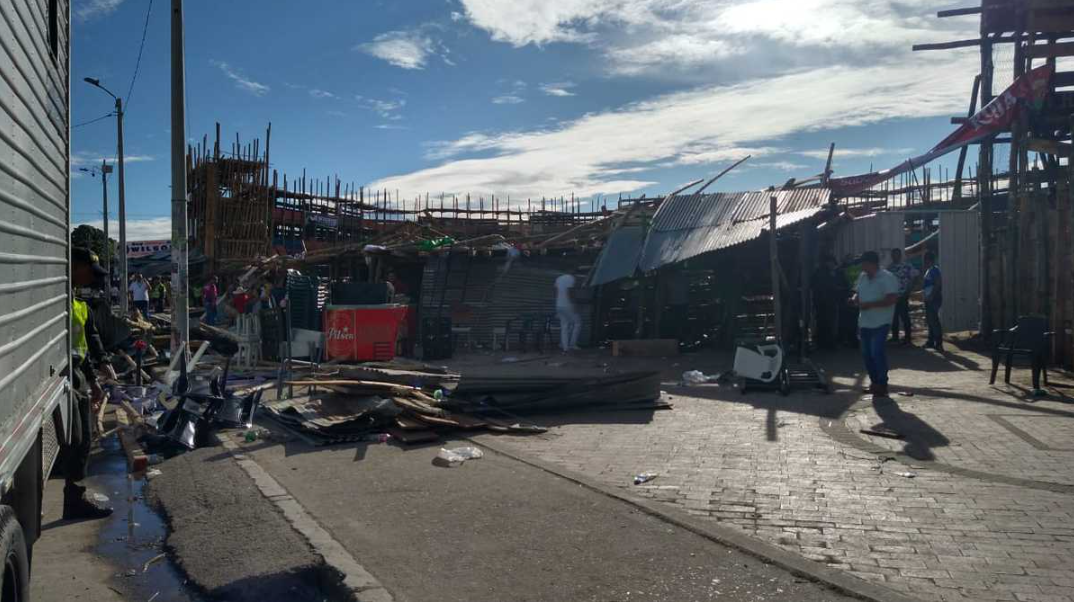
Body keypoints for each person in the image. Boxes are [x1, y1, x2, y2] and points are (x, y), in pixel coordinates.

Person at [63, 248, 114, 519]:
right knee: (78, 441)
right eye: (90, 272)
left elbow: (85, 341)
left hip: (78, 376)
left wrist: (94, 379)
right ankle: (73, 501)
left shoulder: (76, 301)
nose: (92, 279)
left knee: (82, 442)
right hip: (64, 377)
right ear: (75, 266)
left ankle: (75, 498)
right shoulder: (58, 300)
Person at [852, 251, 899, 397]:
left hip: (881, 322)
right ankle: (875, 383)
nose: (861, 266)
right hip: (865, 322)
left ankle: (882, 384)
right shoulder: (862, 277)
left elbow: (892, 299)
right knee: (866, 354)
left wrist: (870, 305)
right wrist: (854, 299)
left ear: (871, 263)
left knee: (876, 352)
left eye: (863, 263)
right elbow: (857, 293)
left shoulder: (887, 277)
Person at [811, 254, 841, 350]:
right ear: (828, 262)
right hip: (827, 302)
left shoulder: (819, 272)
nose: (834, 265)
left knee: (822, 323)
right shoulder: (827, 273)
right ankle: (829, 344)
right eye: (833, 263)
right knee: (829, 324)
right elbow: (830, 287)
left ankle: (822, 343)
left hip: (821, 302)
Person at [888, 248, 918, 345]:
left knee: (905, 317)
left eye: (896, 254)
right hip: (893, 296)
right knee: (894, 317)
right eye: (893, 255)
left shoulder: (906, 266)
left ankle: (908, 338)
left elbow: (915, 276)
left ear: (900, 255)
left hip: (903, 295)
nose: (894, 256)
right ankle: (895, 337)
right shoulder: (890, 267)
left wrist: (909, 290)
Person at [922, 252, 944, 351]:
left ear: (928, 260)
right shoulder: (929, 270)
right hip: (929, 298)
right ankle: (931, 341)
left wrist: (931, 295)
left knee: (934, 320)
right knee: (930, 320)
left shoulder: (934, 270)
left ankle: (939, 343)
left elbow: (938, 283)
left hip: (933, 298)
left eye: (925, 260)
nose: (924, 262)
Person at [554, 272, 581, 352]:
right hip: (567, 305)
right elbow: (570, 292)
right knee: (578, 323)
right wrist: (574, 304)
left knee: (564, 326)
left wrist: (557, 303)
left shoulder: (558, 278)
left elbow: (555, 292)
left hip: (559, 305)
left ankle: (565, 347)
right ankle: (572, 344)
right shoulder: (571, 278)